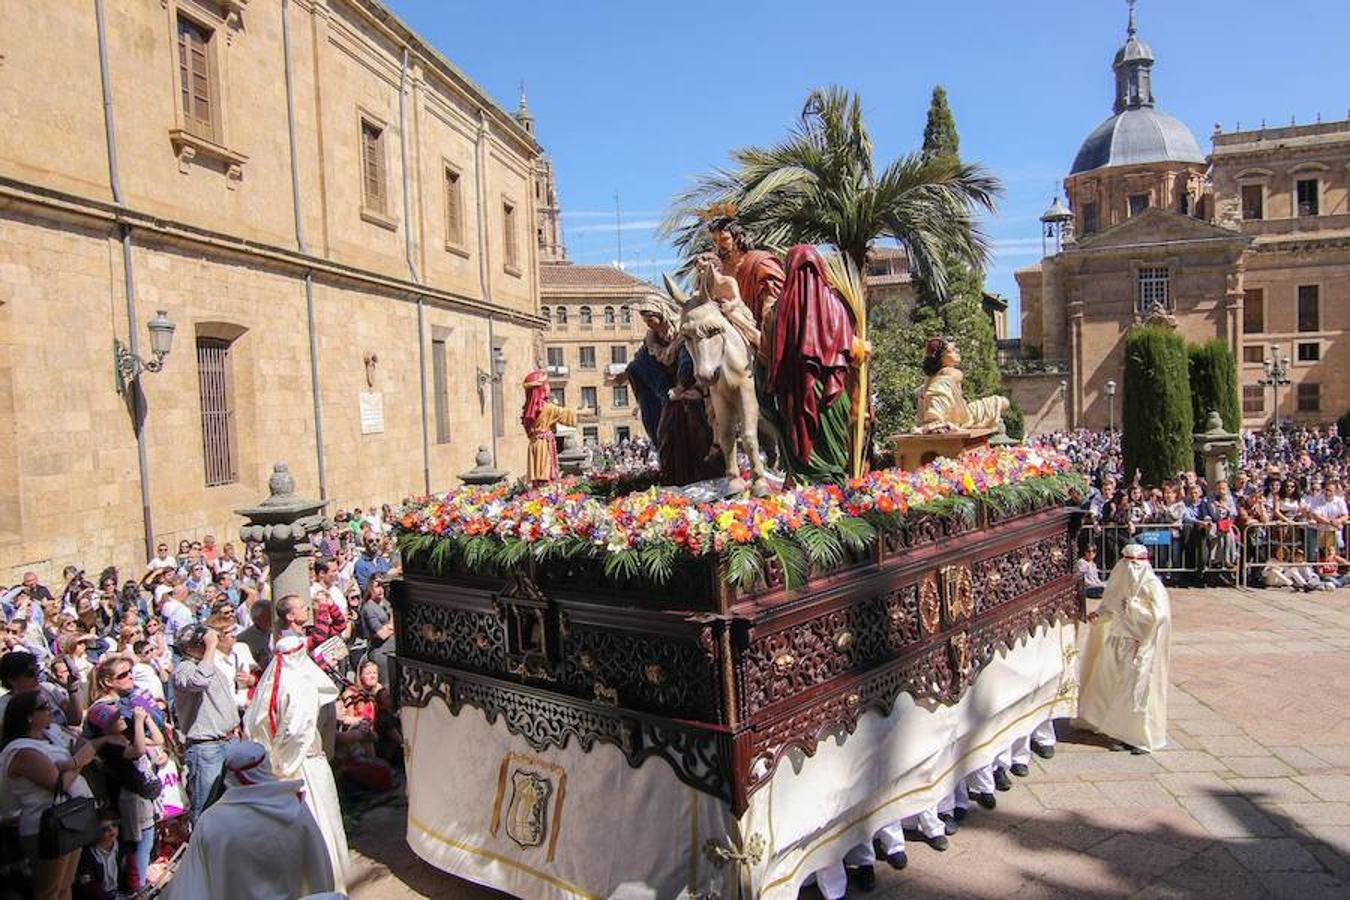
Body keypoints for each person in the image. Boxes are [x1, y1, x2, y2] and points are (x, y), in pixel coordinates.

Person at [243, 634, 350, 892]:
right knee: (318, 823)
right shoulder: (300, 684)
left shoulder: (270, 684)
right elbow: (296, 731)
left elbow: (254, 726)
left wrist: (274, 764)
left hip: (278, 769)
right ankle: (324, 884)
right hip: (303, 767)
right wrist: (286, 766)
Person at [165, 741, 335, 900]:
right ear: (265, 766)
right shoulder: (294, 808)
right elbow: (319, 868)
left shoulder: (210, 822)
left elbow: (193, 886)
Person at [0, 690, 110, 900]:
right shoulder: (21, 750)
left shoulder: (51, 735)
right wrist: (79, 761)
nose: (51, 710)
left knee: (65, 885)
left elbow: (70, 756)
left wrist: (72, 760)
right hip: (45, 826)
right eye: (44, 707)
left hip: (71, 818)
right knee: (48, 891)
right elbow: (59, 784)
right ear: (29, 716)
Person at [766, 245, 858, 485]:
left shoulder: (780, 309)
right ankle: (835, 493)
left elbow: (774, 355)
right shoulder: (838, 305)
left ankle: (811, 499)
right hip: (831, 392)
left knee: (803, 444)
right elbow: (850, 350)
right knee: (834, 450)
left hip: (797, 393)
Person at [1077, 543, 1172, 754]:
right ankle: (1109, 725)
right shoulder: (1120, 581)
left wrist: (1133, 607)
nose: (1130, 569)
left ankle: (1138, 736)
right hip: (1116, 641)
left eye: (1135, 564)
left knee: (1135, 690)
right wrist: (1099, 616)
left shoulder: (1152, 585)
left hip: (1139, 645)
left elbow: (1159, 616)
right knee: (1108, 683)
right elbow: (1111, 606)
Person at [171, 624, 239, 823]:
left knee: (233, 803)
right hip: (207, 748)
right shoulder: (183, 670)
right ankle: (202, 851)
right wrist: (210, 647)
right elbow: (199, 681)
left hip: (229, 740)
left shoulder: (209, 664)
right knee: (206, 808)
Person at [915, 337, 1010, 434]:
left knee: (1003, 402)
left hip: (963, 414)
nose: (957, 351)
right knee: (1002, 402)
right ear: (941, 358)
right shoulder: (949, 374)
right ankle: (936, 422)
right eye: (951, 351)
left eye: (955, 348)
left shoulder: (933, 376)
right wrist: (934, 420)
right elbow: (937, 393)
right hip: (951, 419)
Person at [521, 369, 580, 484]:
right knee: (546, 475)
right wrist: (582, 411)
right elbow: (565, 414)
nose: (549, 387)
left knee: (537, 479)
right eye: (546, 384)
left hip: (534, 444)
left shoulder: (528, 408)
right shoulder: (547, 408)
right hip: (544, 444)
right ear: (540, 388)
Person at [358, 578, 395, 687]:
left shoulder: (386, 604)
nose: (380, 590)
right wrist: (392, 622)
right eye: (377, 586)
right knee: (385, 686)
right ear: (370, 588)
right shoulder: (369, 608)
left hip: (392, 650)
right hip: (380, 653)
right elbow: (381, 634)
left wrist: (388, 627)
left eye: (382, 586)